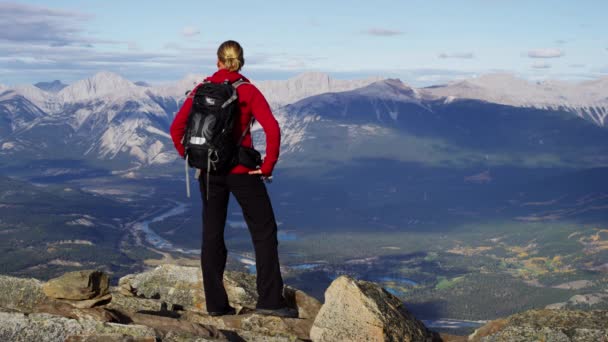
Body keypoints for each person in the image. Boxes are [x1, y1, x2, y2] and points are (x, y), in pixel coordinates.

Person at [169, 40, 297, 318]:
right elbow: (272, 129)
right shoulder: (248, 90)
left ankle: (216, 306)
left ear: (217, 61)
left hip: (209, 173)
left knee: (212, 236)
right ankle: (270, 301)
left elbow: (176, 128)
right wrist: (267, 166)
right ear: (242, 61)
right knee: (264, 232)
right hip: (242, 173)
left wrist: (192, 158)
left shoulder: (200, 90)